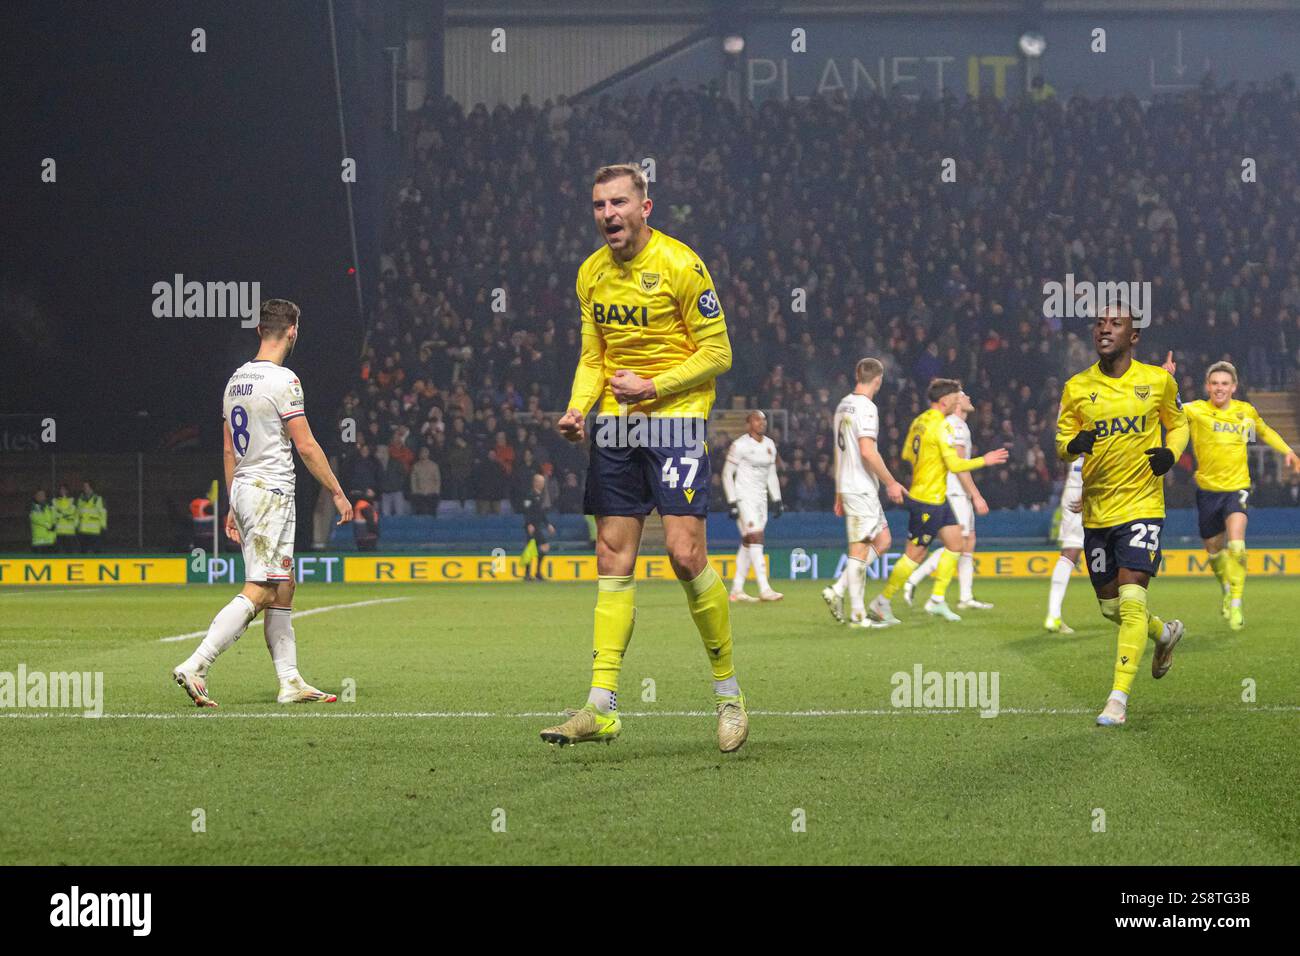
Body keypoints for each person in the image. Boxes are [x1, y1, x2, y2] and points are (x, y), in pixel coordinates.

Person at [539, 163, 747, 752]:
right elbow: (592, 355)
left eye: (619, 203)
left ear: (645, 207)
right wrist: (579, 409)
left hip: (676, 422)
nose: (608, 214)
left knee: (684, 557)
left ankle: (729, 697)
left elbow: (719, 351)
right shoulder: (591, 274)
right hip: (614, 425)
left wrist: (653, 388)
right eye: (600, 205)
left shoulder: (683, 265)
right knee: (611, 556)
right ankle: (601, 707)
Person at [172, 298, 352, 708]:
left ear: (259, 331)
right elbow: (305, 445)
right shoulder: (284, 380)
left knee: (284, 585)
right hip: (271, 493)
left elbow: (227, 449)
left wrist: (233, 502)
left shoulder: (235, 380)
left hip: (246, 489)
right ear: (293, 331)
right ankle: (197, 663)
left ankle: (290, 681)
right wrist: (337, 491)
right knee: (264, 589)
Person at [1055, 304, 1188, 727]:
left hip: (1143, 505)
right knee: (1111, 609)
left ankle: (1117, 699)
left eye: (1115, 324)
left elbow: (1180, 424)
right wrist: (1076, 444)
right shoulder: (1076, 387)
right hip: (1097, 511)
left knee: (1132, 601)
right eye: (1099, 323)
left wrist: (1172, 453)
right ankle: (1164, 634)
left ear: (1133, 337)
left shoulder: (1157, 381)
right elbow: (1061, 444)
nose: (1104, 329)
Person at [868, 379, 1009, 625]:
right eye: (955, 397)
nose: (958, 400)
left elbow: (906, 454)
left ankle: (936, 600)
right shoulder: (942, 427)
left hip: (937, 497)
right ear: (945, 402)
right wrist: (984, 460)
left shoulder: (919, 421)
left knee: (956, 545)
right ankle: (882, 601)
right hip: (926, 501)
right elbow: (955, 465)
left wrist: (926, 466)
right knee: (913, 555)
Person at [1178, 358, 1300, 630]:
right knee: (1214, 552)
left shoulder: (1245, 412)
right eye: (1215, 383)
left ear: (1234, 387)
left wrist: (1288, 452)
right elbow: (1166, 407)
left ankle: (1235, 602)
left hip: (1237, 488)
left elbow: (1265, 431)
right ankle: (1225, 587)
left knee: (1237, 546)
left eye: (1225, 383)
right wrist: (1165, 381)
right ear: (1207, 386)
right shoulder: (1195, 410)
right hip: (1207, 491)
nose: (1219, 388)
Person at [822, 358, 905, 627]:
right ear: (878, 380)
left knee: (883, 541)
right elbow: (868, 451)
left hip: (850, 486)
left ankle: (837, 590)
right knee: (860, 549)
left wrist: (838, 492)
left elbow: (838, 452)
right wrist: (891, 482)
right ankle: (858, 615)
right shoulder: (866, 408)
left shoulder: (843, 404)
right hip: (860, 487)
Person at [902, 389, 994, 610]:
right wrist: (976, 495)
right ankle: (913, 580)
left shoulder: (955, 423)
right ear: (957, 403)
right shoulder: (957, 425)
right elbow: (960, 466)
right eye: (964, 396)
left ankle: (965, 597)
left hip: (953, 491)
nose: (969, 397)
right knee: (958, 543)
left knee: (968, 541)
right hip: (954, 491)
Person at [722, 410, 785, 602]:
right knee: (756, 537)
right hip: (744, 498)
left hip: (761, 499)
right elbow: (727, 474)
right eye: (757, 420)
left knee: (749, 543)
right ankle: (764, 589)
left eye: (764, 420)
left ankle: (737, 590)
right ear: (748, 424)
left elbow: (772, 473)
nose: (762, 423)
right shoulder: (740, 445)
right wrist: (732, 501)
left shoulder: (769, 445)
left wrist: (777, 499)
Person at [1044, 455, 1085, 634]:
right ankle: (1124, 612)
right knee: (1114, 548)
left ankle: (1053, 615)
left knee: (1070, 550)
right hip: (1094, 488)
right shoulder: (1104, 427)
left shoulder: (1073, 427)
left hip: (1073, 486)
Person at [520, 473, 554, 581]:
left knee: (539, 547)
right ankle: (531, 574)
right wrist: (529, 524)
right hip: (532, 526)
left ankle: (534, 573)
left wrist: (548, 524)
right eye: (540, 482)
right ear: (535, 482)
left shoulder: (540, 495)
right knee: (534, 548)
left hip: (537, 526)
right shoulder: (529, 495)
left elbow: (541, 512)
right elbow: (526, 511)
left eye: (543, 482)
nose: (542, 484)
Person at [409, 445, 441, 515]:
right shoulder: (416, 466)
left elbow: (437, 480)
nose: (423, 454)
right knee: (420, 514)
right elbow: (413, 481)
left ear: (428, 454)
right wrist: (415, 492)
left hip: (432, 494)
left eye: (425, 452)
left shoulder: (434, 465)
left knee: (432, 514)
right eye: (422, 453)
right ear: (419, 454)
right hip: (419, 495)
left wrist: (436, 492)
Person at [76, 480, 107, 553]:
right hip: (83, 530)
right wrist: (76, 525)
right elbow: (77, 513)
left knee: (97, 553)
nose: (84, 488)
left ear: (91, 488)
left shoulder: (98, 499)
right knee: (83, 553)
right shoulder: (81, 499)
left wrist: (103, 527)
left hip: (95, 531)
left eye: (86, 486)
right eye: (84, 486)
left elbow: (103, 513)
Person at [52, 483, 78, 553]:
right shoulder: (55, 501)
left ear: (67, 490)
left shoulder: (72, 501)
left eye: (64, 489)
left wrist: (74, 526)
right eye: (61, 489)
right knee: (60, 554)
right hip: (59, 532)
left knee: (70, 553)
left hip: (70, 532)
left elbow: (74, 513)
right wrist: (66, 514)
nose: (62, 491)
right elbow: (54, 514)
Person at [29, 489, 56, 554]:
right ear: (35, 496)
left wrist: (54, 524)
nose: (42, 496)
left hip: (50, 541)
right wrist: (49, 525)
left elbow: (54, 517)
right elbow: (37, 519)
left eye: (43, 495)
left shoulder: (48, 506)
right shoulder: (33, 507)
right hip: (39, 542)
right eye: (40, 495)